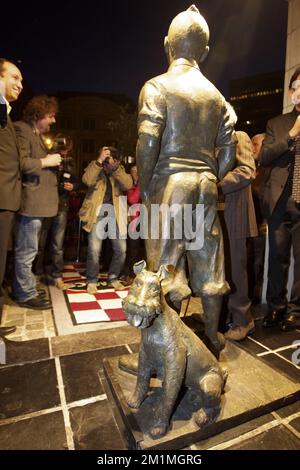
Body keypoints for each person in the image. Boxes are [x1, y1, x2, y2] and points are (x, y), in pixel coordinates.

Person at [135, 5, 236, 357]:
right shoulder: (217, 97)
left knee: (163, 265)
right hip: (205, 185)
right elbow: (228, 152)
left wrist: (147, 187)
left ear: (168, 45)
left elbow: (147, 144)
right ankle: (211, 337)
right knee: (209, 260)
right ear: (204, 52)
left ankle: (165, 347)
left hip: (169, 184)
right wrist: (210, 176)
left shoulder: (156, 87)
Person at [259, 66, 300, 331]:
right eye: (297, 87)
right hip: (280, 202)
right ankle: (275, 307)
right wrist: (293, 133)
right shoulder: (277, 123)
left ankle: (296, 310)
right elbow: (263, 157)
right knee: (277, 258)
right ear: (291, 92)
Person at [12, 95, 62, 309]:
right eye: (50, 116)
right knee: (27, 250)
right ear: (38, 114)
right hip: (31, 203)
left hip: (41, 204)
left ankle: (28, 286)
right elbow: (22, 163)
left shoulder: (37, 135)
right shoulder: (22, 130)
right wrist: (46, 161)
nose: (53, 121)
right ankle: (24, 293)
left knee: (32, 249)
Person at [219, 130, 258, 341]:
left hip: (235, 215)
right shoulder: (207, 139)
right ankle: (220, 315)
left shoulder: (238, 135)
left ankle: (244, 320)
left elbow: (247, 170)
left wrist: (218, 184)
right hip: (215, 216)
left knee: (236, 272)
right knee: (219, 271)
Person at [79, 146, 132, 293]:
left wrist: (115, 170)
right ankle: (92, 280)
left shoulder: (119, 169)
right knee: (94, 249)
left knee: (121, 250)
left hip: (116, 213)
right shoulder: (95, 166)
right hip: (97, 212)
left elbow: (128, 184)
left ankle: (113, 277)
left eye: (112, 157)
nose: (110, 160)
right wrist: (99, 161)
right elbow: (87, 180)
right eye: (107, 157)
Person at [35, 134, 79, 288]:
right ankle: (37, 274)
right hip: (45, 205)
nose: (65, 153)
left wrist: (72, 186)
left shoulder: (70, 163)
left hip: (62, 206)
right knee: (40, 243)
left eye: (67, 150)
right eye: (62, 149)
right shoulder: (48, 158)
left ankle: (57, 276)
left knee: (57, 245)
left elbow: (76, 181)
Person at [250, 133, 267, 303]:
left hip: (262, 228)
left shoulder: (267, 173)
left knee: (259, 265)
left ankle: (257, 301)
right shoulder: (250, 170)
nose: (251, 148)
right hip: (251, 228)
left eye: (255, 144)